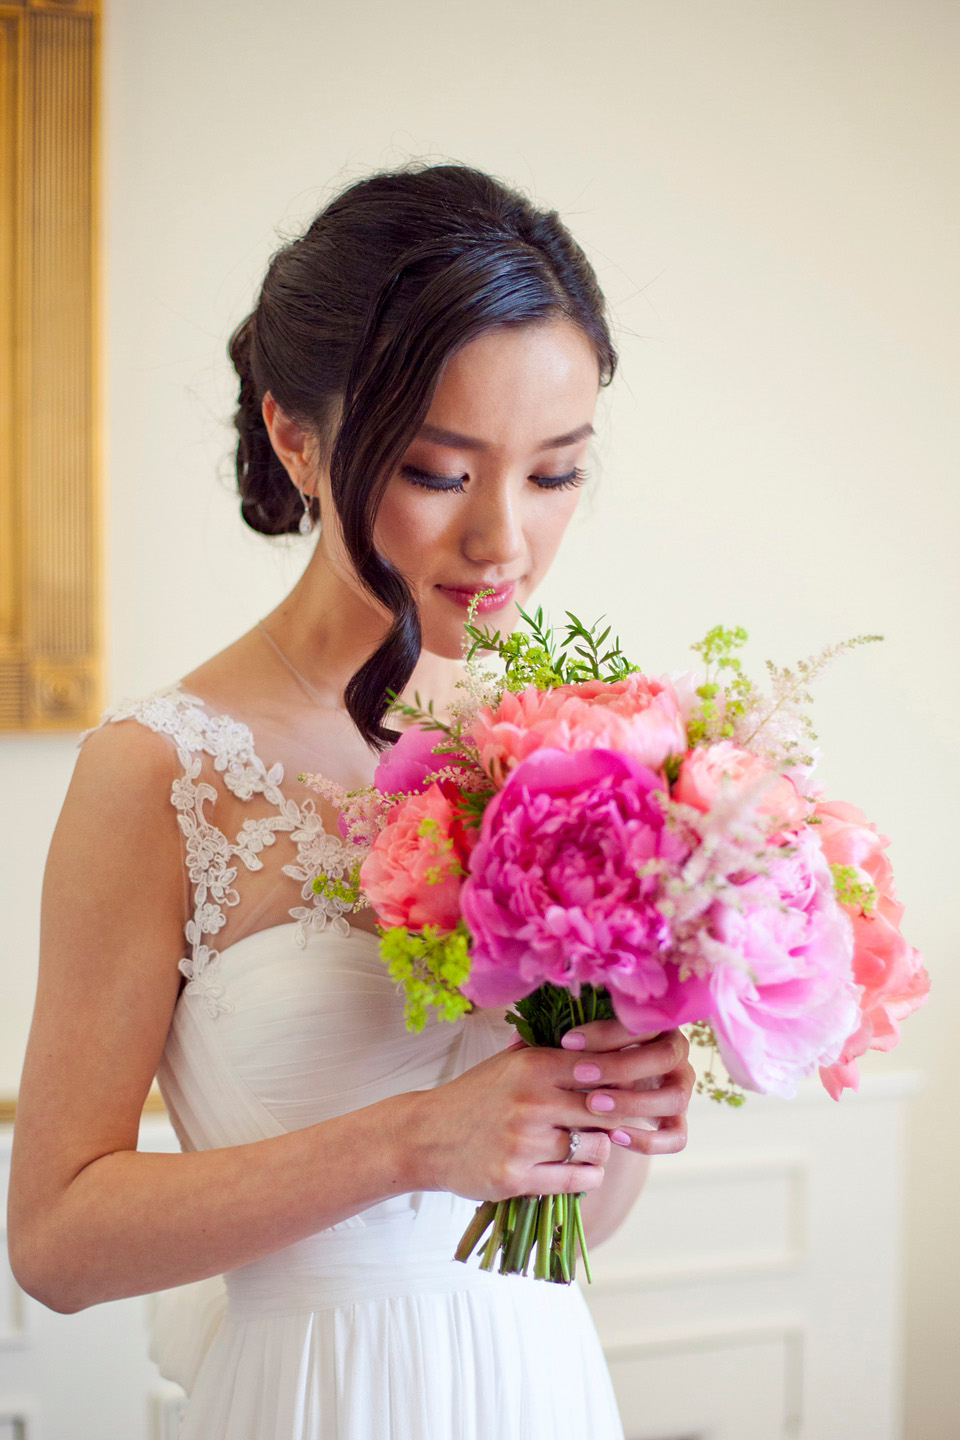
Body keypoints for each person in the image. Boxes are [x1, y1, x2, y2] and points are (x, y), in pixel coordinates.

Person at [8, 161, 696, 1440]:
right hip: (313, 1401)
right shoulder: (159, 771)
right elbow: (53, 1240)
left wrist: (617, 1108)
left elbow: (553, 1238)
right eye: (442, 471)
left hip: (538, 1387)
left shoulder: (566, 753)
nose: (504, 542)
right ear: (295, 435)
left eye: (555, 474)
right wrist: (411, 1143)